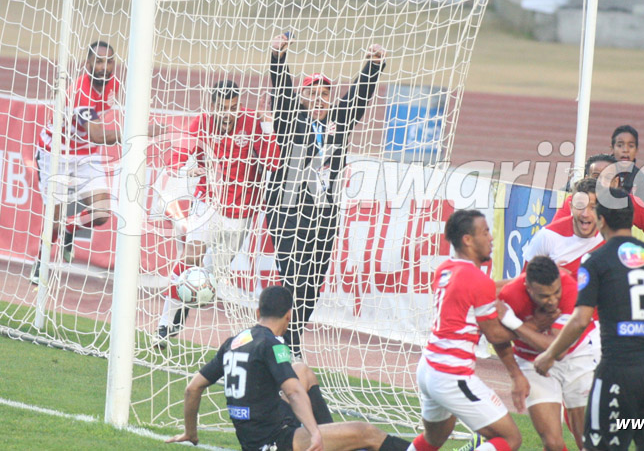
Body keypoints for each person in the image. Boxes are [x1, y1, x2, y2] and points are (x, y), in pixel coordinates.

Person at [534, 188, 644, 451]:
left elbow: (580, 320)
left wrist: (550, 355)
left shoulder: (596, 261)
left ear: (602, 219)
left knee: (601, 445)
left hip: (618, 370)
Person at [166, 285, 409, 451]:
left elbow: (192, 388)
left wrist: (191, 432)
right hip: (274, 441)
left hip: (255, 432)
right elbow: (292, 392)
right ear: (289, 316)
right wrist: (315, 433)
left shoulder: (234, 341)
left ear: (258, 312)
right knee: (365, 431)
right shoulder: (273, 345)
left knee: (301, 370)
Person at [267, 33, 386, 356]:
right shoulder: (290, 120)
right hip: (288, 208)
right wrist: (278, 58)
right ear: (302, 96)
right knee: (293, 276)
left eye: (324, 94)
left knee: (313, 281)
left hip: (324, 212)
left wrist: (373, 66)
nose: (318, 99)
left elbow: (358, 98)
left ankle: (293, 337)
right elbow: (280, 95)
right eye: (311, 93)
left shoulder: (339, 121)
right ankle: (283, 341)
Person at [154, 80, 281, 346]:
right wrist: (183, 168)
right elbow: (179, 151)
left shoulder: (250, 121)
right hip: (208, 203)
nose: (228, 114)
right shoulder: (202, 121)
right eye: (222, 108)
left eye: (233, 108)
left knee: (209, 276)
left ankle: (182, 309)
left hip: (241, 213)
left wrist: (267, 126)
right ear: (212, 106)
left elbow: (273, 162)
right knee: (190, 258)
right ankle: (164, 326)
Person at [32, 40, 160, 284]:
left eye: (109, 61)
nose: (105, 66)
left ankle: (72, 227)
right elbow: (98, 135)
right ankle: (40, 263)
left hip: (87, 154)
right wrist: (143, 131)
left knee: (102, 213)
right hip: (57, 154)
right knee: (53, 220)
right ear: (88, 63)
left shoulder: (112, 82)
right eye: (99, 61)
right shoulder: (80, 91)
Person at [408, 209, 527, 451]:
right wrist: (529, 329)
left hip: (428, 368)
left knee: (434, 439)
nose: (491, 238)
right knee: (510, 439)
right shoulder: (476, 279)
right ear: (468, 240)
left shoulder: (446, 269)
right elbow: (494, 335)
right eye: (485, 232)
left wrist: (521, 281)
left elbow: (483, 289)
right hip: (452, 375)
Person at [497, 256, 600, 451]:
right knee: (553, 443)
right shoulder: (510, 295)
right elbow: (496, 337)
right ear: (528, 288)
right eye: (544, 296)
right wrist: (515, 375)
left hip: (578, 355)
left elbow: (557, 350)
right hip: (530, 360)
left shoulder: (570, 289)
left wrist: (515, 324)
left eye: (555, 292)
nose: (552, 301)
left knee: (586, 441)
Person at [553, 153, 644, 258]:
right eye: (596, 176)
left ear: (616, 182)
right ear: (587, 178)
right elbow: (554, 232)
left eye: (607, 177)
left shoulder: (630, 203)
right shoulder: (575, 201)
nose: (601, 182)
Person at [521, 178, 604, 278]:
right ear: (571, 206)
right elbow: (523, 282)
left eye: (593, 207)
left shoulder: (609, 235)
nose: (585, 214)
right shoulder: (548, 236)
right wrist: (547, 276)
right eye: (580, 206)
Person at [611, 125, 644, 206]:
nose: (625, 150)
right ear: (612, 148)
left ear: (636, 150)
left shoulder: (639, 178)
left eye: (631, 146)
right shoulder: (601, 169)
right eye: (620, 145)